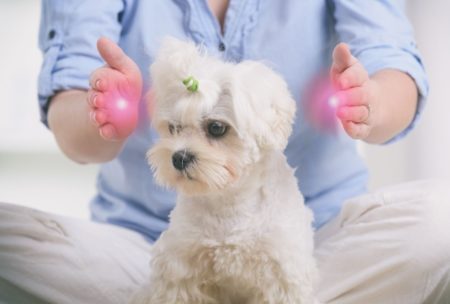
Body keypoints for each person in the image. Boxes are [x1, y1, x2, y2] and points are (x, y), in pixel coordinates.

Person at [1, 0, 449, 303]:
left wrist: (371, 100)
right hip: (141, 248)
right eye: (174, 129)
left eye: (214, 129)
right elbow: (72, 119)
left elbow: (393, 64)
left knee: (440, 220)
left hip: (317, 244)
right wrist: (104, 115)